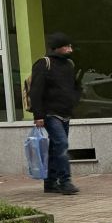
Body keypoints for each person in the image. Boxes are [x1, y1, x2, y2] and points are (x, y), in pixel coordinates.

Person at [28, 32, 82, 195]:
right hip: (50, 114)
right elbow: (35, 92)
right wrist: (38, 116)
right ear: (57, 47)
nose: (70, 49)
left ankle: (50, 182)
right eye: (67, 46)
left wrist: (74, 99)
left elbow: (74, 86)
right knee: (62, 145)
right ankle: (65, 181)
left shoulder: (69, 65)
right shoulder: (43, 64)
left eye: (70, 46)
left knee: (54, 148)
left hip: (65, 112)